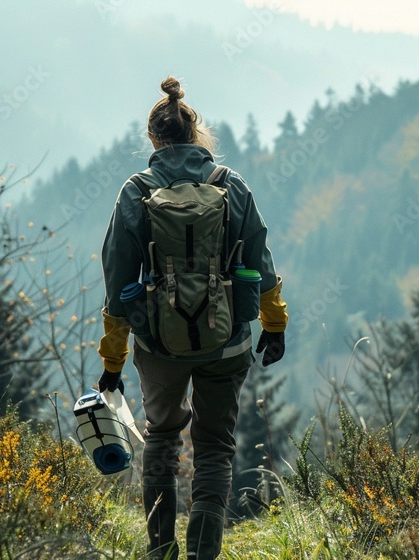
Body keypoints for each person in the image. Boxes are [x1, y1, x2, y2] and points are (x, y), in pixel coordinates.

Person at [96, 76, 288, 559]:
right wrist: (275, 324)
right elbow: (261, 262)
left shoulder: (136, 190)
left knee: (160, 438)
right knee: (216, 447)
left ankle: (161, 551)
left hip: (158, 344)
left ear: (154, 139)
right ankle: (205, 553)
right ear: (195, 132)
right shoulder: (231, 185)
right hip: (228, 342)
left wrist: (113, 360)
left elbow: (117, 280)